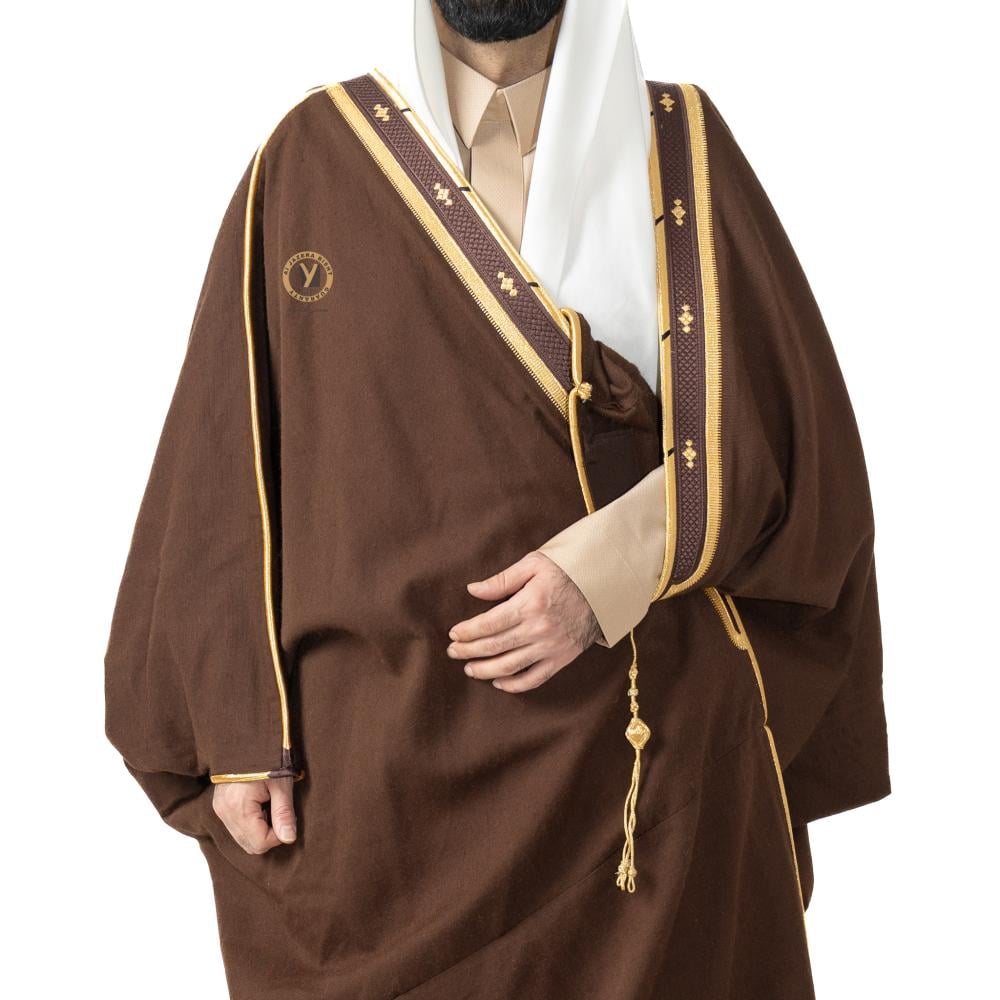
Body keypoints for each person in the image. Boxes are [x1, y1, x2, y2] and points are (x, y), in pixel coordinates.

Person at [104, 1, 890, 996]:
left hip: (640, 788)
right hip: (375, 791)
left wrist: (605, 570)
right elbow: (226, 457)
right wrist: (235, 730)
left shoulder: (679, 146)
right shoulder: (310, 157)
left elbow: (787, 441)